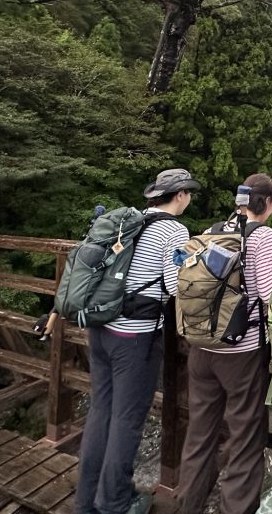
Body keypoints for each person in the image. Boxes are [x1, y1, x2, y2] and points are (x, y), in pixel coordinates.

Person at [76, 168, 200, 514]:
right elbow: (176, 287)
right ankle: (114, 502)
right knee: (127, 421)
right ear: (180, 196)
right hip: (135, 337)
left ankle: (86, 501)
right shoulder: (174, 229)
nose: (189, 199)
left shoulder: (131, 221)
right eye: (188, 193)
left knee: (101, 413)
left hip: (101, 329)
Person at [177, 173, 272, 514]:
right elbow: (270, 293)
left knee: (200, 435)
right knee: (245, 439)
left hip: (202, 348)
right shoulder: (262, 235)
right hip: (240, 353)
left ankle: (187, 506)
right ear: (267, 203)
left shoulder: (213, 231)